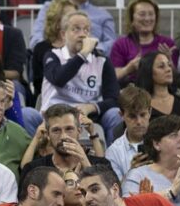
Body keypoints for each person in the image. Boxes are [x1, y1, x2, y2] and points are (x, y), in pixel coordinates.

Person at [41, 10, 122, 144]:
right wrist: (82, 54)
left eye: (86, 30)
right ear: (63, 34)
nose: (82, 34)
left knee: (114, 113)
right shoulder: (53, 55)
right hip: (54, 115)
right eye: (76, 29)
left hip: (88, 116)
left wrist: (91, 107)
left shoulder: (102, 60)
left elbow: (114, 98)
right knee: (28, 115)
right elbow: (59, 79)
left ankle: (111, 159)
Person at [22, 104, 109, 179]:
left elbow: (109, 196)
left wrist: (86, 165)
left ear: (79, 131)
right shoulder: (34, 170)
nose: (63, 136)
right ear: (48, 134)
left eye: (69, 129)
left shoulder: (101, 165)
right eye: (56, 130)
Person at [110, 0, 179, 84]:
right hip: (132, 91)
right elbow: (112, 77)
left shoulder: (167, 43)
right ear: (132, 20)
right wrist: (129, 68)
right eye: (142, 14)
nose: (147, 19)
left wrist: (169, 62)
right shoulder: (120, 44)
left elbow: (177, 78)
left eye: (151, 14)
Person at [106, 86, 151, 179]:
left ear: (150, 112)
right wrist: (132, 172)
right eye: (132, 116)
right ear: (121, 115)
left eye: (143, 115)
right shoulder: (113, 152)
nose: (139, 121)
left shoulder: (165, 142)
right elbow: (115, 190)